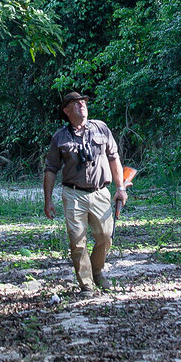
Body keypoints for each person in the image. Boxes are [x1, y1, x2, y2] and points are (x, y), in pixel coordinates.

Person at [43, 91, 128, 292]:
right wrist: (48, 200)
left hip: (100, 192)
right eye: (76, 103)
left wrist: (120, 188)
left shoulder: (101, 128)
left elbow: (114, 158)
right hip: (73, 194)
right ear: (66, 110)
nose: (82, 105)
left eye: (83, 102)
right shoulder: (60, 137)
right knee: (77, 241)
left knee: (106, 236)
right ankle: (87, 284)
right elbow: (50, 169)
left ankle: (97, 272)